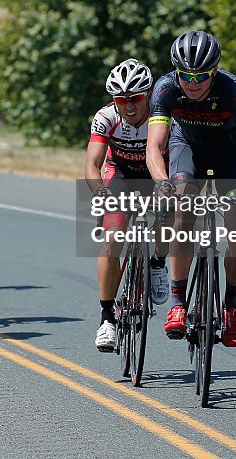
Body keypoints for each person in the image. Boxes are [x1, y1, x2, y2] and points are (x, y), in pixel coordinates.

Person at [145, 30, 236, 348]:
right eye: (186, 75)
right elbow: (155, 146)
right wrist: (162, 182)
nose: (193, 83)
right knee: (183, 208)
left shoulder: (233, 90)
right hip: (187, 149)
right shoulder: (165, 88)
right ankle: (178, 303)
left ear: (215, 71)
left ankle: (230, 306)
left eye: (202, 75)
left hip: (230, 155)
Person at [86, 58, 169, 352]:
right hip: (119, 173)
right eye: (121, 99)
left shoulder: (162, 117)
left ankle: (158, 263)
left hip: (155, 173)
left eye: (134, 98)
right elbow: (92, 167)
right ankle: (107, 317)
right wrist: (101, 193)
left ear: (146, 95)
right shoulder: (106, 117)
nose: (128, 105)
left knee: (167, 213)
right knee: (113, 236)